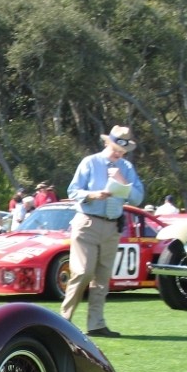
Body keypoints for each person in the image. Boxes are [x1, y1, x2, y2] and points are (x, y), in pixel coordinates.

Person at [61, 124, 145, 338]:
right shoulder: (90, 162)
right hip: (88, 222)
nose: (118, 153)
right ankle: (63, 321)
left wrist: (122, 181)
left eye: (122, 151)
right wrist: (93, 195)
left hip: (112, 226)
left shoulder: (126, 167)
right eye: (116, 148)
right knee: (83, 272)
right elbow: (73, 191)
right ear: (108, 143)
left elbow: (137, 197)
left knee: (102, 277)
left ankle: (96, 324)